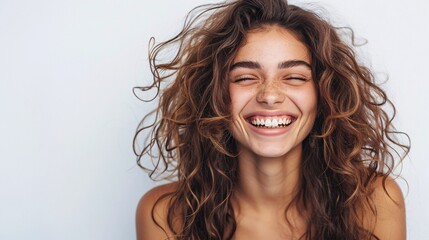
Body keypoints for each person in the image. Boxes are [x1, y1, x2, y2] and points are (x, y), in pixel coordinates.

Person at [134, 0, 410, 239]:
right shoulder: (165, 215)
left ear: (325, 94)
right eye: (244, 78)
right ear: (215, 95)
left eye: (294, 77)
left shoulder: (375, 202)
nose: (269, 95)